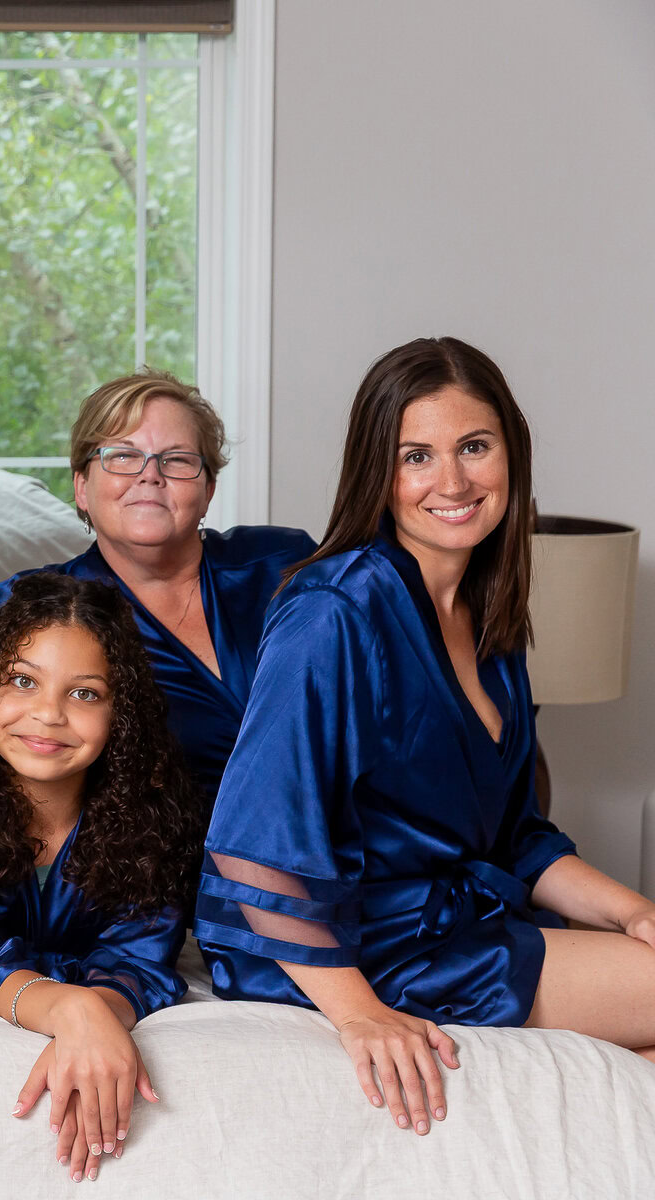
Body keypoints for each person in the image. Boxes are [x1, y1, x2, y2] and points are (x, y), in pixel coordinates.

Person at [195, 337, 655, 1141]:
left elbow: (520, 839)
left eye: (474, 447)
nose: (452, 482)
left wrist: (635, 912)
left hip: (458, 923)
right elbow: (250, 847)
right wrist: (360, 1015)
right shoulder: (334, 613)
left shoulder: (489, 615)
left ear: (511, 453)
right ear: (380, 472)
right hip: (358, 947)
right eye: (417, 456)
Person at [0, 573, 203, 1185]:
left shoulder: (159, 815)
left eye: (85, 694)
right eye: (22, 680)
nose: (48, 714)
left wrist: (97, 1011)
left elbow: (141, 959)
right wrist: (70, 1009)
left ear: (122, 713)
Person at [0, 370, 315, 807]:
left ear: (208, 489)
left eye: (176, 459)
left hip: (340, 843)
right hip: (151, 861)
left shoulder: (285, 565)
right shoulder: (28, 607)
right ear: (81, 487)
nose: (150, 475)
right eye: (122, 456)